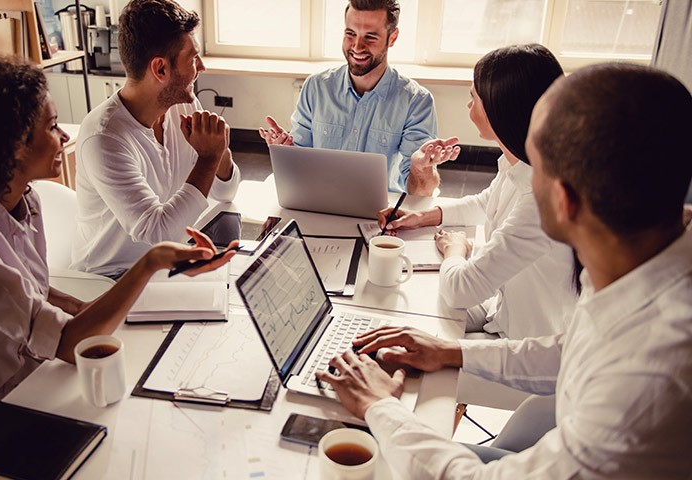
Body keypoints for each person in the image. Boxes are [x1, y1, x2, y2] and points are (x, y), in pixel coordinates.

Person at [317, 63, 692, 477]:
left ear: (563, 199)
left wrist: (380, 407)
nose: (523, 173)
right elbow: (573, 348)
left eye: (534, 161)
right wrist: (452, 351)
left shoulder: (652, 377)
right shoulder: (643, 261)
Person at [0, 55, 237, 449]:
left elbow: (50, 300)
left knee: (142, 416)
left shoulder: (19, 203)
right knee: (128, 440)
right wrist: (151, 263)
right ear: (10, 145)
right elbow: (65, 342)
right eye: (50, 127)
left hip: (17, 389)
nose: (65, 138)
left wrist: (164, 286)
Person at [379, 44, 576, 340]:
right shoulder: (523, 167)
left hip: (521, 344)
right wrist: (423, 216)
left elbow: (461, 290)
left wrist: (456, 248)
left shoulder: (540, 201)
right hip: (501, 310)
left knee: (419, 330)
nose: (468, 106)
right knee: (405, 315)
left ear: (500, 109)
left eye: (473, 98)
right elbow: (486, 204)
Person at [71, 0, 240, 278]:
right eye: (192, 58)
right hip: (111, 279)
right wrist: (208, 158)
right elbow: (158, 232)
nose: (202, 67)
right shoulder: (104, 138)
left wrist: (220, 151)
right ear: (160, 69)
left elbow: (225, 193)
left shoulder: (183, 106)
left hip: (169, 264)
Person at [259, 0, 459, 195]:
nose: (357, 46)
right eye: (350, 33)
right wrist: (286, 151)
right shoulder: (316, 87)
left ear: (393, 38)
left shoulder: (416, 101)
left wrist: (421, 169)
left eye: (370, 37)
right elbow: (301, 165)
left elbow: (420, 191)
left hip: (381, 218)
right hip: (319, 206)